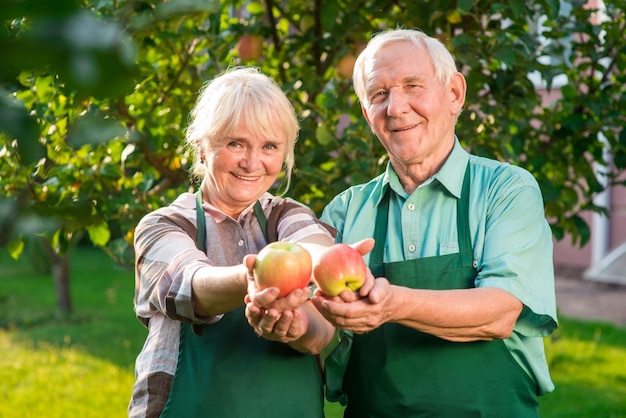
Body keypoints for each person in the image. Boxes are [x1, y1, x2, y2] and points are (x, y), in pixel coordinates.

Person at [311, 28, 559, 417]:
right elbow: (318, 329)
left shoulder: (505, 189)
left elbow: (500, 311)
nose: (396, 107)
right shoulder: (346, 211)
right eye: (379, 94)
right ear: (366, 113)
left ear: (454, 94)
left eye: (413, 85)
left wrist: (392, 303)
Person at [128, 67, 338, 418]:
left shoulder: (288, 216)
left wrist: (300, 325)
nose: (252, 162)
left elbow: (315, 259)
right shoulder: (163, 225)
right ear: (202, 145)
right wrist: (257, 279)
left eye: (269, 146)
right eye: (235, 143)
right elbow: (192, 285)